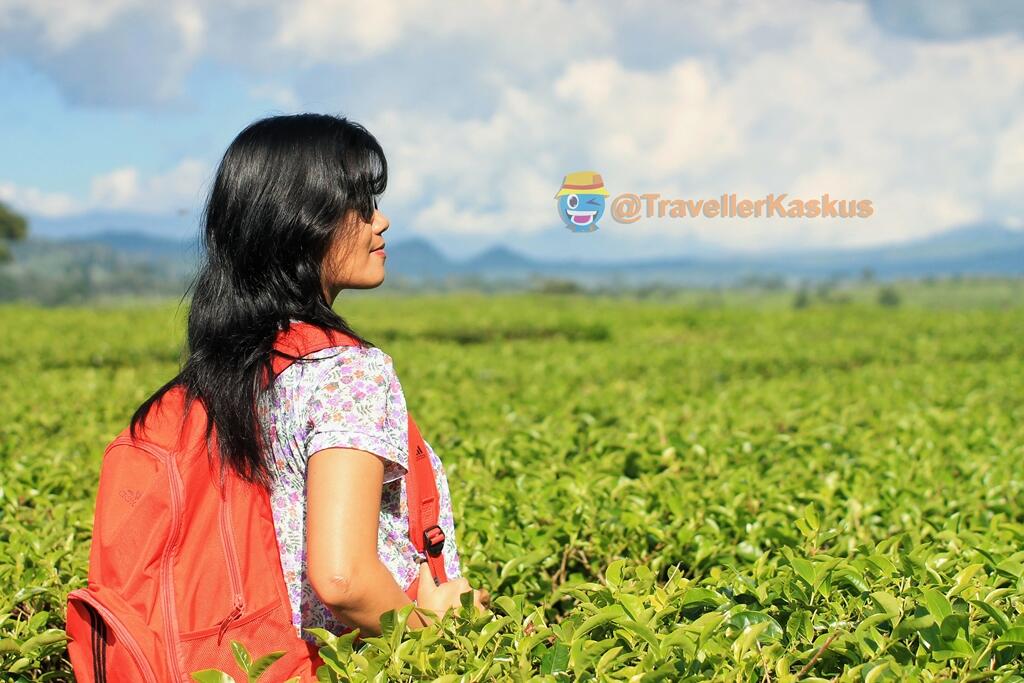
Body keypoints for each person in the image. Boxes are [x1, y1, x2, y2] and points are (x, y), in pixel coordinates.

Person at [131, 113, 489, 645]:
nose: (381, 221)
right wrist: (435, 632)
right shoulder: (345, 371)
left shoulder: (230, 369)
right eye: (362, 204)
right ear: (301, 221)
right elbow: (343, 580)